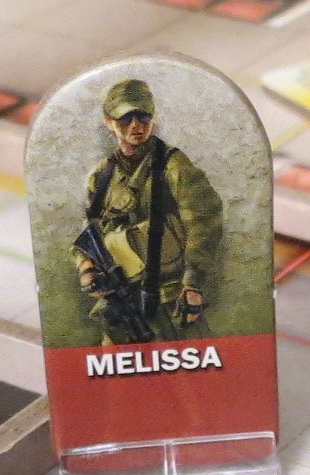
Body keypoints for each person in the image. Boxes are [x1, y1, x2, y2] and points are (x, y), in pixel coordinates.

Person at [73, 78, 225, 345]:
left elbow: (204, 221)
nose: (136, 126)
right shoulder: (102, 176)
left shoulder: (172, 165)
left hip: (170, 293)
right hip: (122, 296)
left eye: (143, 116)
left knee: (197, 362)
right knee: (117, 367)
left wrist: (193, 284)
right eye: (125, 119)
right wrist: (86, 267)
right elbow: (89, 232)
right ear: (109, 122)